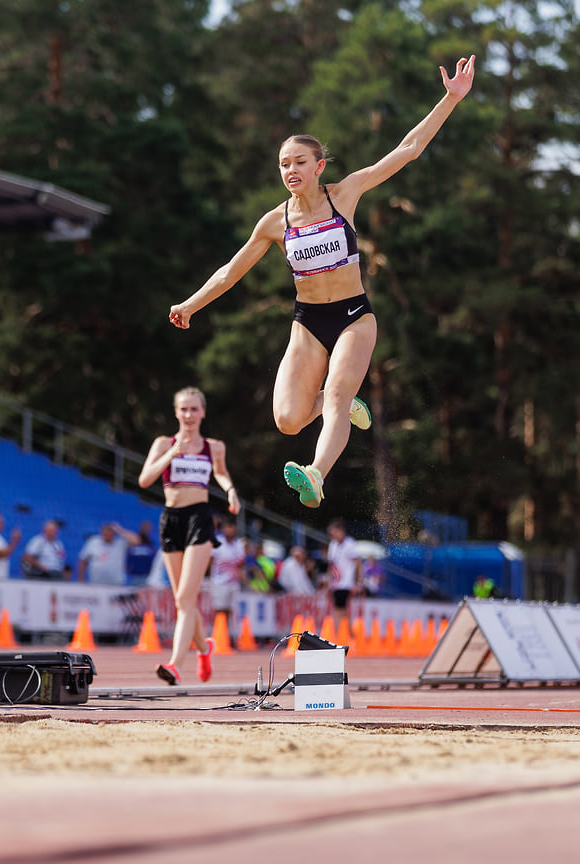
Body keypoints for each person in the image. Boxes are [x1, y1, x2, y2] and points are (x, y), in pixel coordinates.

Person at [167, 56, 476, 509]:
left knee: (334, 393)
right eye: (282, 164)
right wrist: (191, 304)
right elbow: (229, 272)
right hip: (308, 322)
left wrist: (450, 99)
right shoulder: (274, 223)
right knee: (288, 419)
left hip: (354, 317)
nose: (290, 170)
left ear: (319, 166)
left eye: (299, 162)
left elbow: (408, 148)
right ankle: (343, 401)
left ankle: (316, 473)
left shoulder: (345, 193)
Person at [139, 386, 240, 685]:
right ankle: (204, 647)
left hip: (200, 518)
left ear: (203, 412)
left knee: (185, 597)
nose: (189, 414)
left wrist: (230, 490)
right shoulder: (162, 443)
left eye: (194, 409)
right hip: (171, 520)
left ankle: (174, 665)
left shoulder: (214, 447)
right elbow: (145, 479)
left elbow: (220, 472)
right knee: (183, 599)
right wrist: (173, 452)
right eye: (184, 409)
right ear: (176, 412)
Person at [208, 517, 247, 627]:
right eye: (226, 527)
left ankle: (227, 635)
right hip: (219, 581)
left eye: (231, 527)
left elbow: (241, 565)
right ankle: (217, 633)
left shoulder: (239, 545)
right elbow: (210, 561)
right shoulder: (218, 542)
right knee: (219, 609)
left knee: (230, 609)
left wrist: (245, 582)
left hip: (233, 582)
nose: (228, 530)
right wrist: (209, 578)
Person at [326, 518, 363, 627]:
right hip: (336, 583)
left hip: (346, 582)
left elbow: (358, 564)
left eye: (333, 532)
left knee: (342, 609)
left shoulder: (349, 544)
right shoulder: (333, 544)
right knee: (338, 608)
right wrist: (329, 582)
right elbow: (331, 565)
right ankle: (342, 631)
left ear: (341, 531)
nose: (332, 535)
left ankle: (344, 632)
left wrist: (357, 582)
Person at [125, 520, 157, 585]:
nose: (145, 530)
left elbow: (154, 560)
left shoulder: (151, 545)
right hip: (135, 576)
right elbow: (128, 559)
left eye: (147, 528)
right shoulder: (133, 544)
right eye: (144, 527)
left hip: (147, 576)